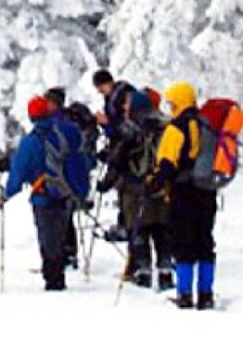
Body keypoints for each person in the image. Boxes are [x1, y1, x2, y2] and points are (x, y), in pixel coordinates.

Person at [0, 96, 91, 291]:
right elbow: (82, 159)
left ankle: (53, 280)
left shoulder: (31, 141)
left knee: (48, 239)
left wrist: (5, 196)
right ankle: (60, 269)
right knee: (61, 233)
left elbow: (19, 172)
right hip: (66, 194)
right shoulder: (68, 131)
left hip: (43, 197)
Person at [147, 82, 216, 309]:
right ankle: (205, 294)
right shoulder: (206, 124)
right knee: (205, 242)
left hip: (183, 192)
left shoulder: (175, 128)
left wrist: (154, 184)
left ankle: (184, 293)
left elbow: (167, 162)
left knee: (183, 243)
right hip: (206, 190)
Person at [99, 90, 172, 290]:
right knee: (161, 229)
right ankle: (166, 271)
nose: (124, 107)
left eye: (128, 104)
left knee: (138, 230)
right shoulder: (167, 125)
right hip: (162, 185)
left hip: (134, 187)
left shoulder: (130, 127)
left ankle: (143, 272)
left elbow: (118, 160)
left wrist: (105, 182)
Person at [45, 86, 100, 269]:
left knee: (61, 216)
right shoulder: (70, 121)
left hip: (61, 176)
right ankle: (69, 253)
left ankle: (65, 255)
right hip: (73, 175)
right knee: (66, 216)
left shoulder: (57, 123)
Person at [92, 69, 138, 242]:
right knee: (123, 190)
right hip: (119, 146)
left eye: (100, 86)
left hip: (127, 150)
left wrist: (107, 123)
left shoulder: (122, 96)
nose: (99, 91)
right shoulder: (113, 98)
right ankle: (124, 223)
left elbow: (125, 126)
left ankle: (127, 225)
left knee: (127, 189)